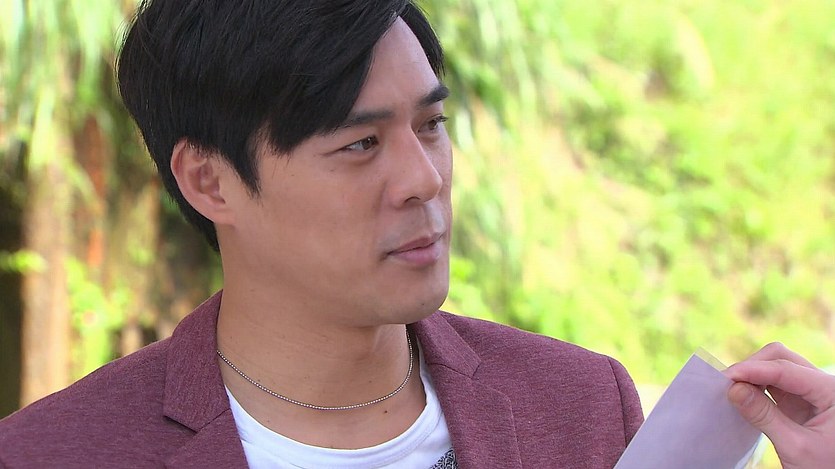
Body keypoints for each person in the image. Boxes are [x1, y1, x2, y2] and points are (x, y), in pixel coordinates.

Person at [0, 1, 831, 468]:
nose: (423, 178)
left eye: (430, 126)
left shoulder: (577, 407)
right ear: (209, 180)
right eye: (360, 144)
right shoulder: (55, 453)